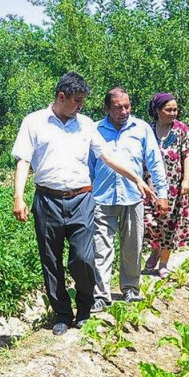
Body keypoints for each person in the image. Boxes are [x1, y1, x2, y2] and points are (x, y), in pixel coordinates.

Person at [12, 73, 158, 336]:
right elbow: (23, 160)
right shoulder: (34, 122)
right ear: (61, 97)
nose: (80, 106)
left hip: (81, 199)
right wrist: (19, 197)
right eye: (77, 101)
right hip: (46, 200)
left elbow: (107, 156)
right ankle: (62, 314)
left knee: (83, 257)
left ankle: (84, 308)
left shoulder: (87, 125)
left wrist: (136, 178)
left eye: (83, 101)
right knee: (51, 260)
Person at [88, 87, 170, 310]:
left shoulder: (142, 129)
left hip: (133, 197)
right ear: (106, 108)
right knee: (100, 248)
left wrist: (162, 194)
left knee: (132, 246)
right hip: (101, 198)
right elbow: (89, 166)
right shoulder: (94, 130)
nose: (124, 111)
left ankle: (131, 289)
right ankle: (101, 295)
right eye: (117, 107)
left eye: (127, 106)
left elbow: (155, 163)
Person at [143, 92, 189, 278]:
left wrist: (186, 180)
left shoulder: (181, 129)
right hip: (150, 184)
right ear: (157, 111)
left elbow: (187, 154)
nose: (173, 113)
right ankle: (155, 250)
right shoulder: (147, 129)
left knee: (169, 224)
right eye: (168, 109)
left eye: (175, 109)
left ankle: (163, 262)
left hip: (174, 186)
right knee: (149, 222)